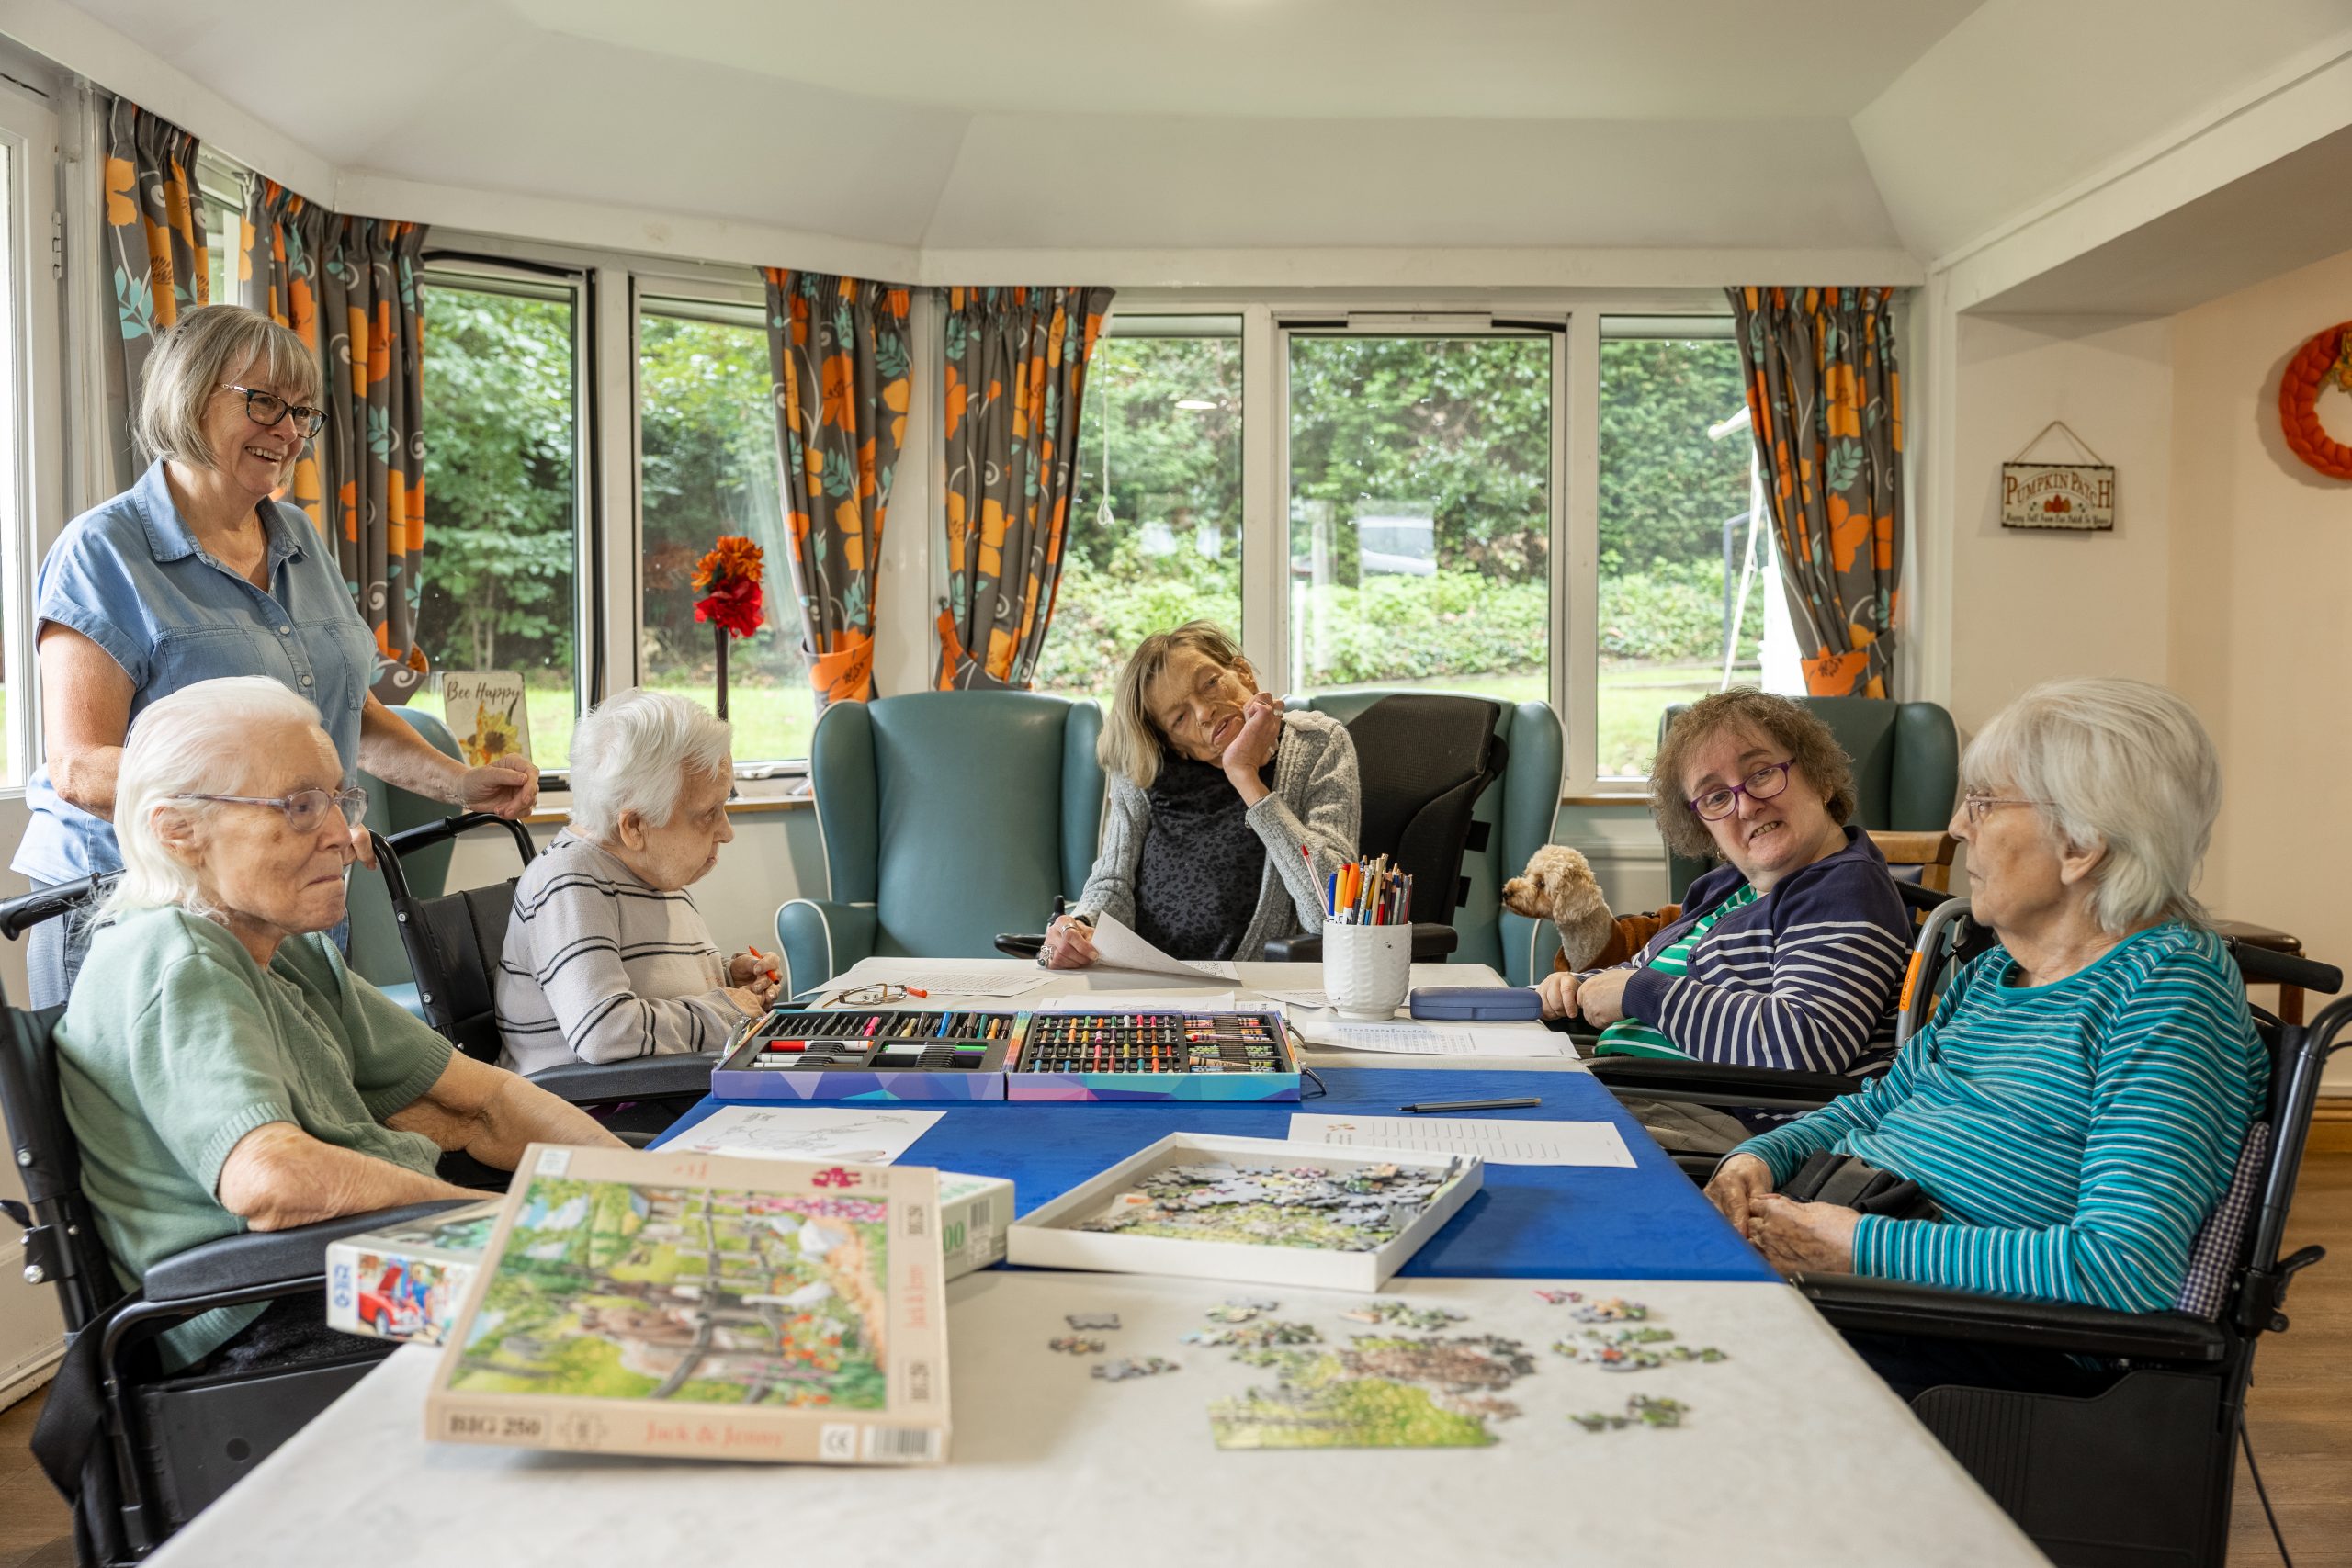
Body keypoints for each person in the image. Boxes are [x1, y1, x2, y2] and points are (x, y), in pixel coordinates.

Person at [1706, 679, 2266, 1394]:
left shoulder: (2165, 989)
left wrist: (1856, 1245)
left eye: (1983, 801)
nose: (1957, 825)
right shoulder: (1996, 970)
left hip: (1984, 1344)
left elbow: (2124, 1267)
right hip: (1862, 1279)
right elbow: (1878, 1103)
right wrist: (1756, 1157)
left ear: (2082, 842)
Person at [53, 679, 617, 1374]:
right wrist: (504, 1228)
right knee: (620, 1314)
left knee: (642, 1271)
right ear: (178, 831)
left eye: (336, 800)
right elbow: (272, 1182)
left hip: (354, 1260)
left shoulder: (283, 949)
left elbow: (483, 1102)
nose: (345, 837)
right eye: (298, 807)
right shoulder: (175, 957)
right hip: (269, 1310)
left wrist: (648, 1189)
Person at [14, 304, 539, 1007]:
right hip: (138, 910)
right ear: (189, 396)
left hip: (283, 904)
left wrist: (462, 783)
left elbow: (347, 709)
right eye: (263, 402)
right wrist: (274, 808)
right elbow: (80, 768)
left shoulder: (297, 536)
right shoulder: (103, 550)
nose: (288, 432)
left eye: (301, 413)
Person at [1538, 689, 1912, 1075]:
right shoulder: (1724, 890)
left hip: (1701, 1105)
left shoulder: (1844, 888)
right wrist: (1576, 987)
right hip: (1621, 1082)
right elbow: (1637, 979)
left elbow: (1805, 1045)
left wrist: (1641, 994)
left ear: (1821, 779)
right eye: (1716, 797)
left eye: (1762, 773)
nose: (1746, 806)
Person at [1041, 622, 1358, 968]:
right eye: (1180, 718)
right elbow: (1113, 881)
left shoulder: (1317, 743)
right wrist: (1081, 927)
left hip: (1252, 985)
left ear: (1243, 674)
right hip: (1147, 981)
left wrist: (1245, 776)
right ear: (1174, 744)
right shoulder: (1143, 770)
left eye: (1210, 683)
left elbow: (1333, 912)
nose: (1205, 712)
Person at [495, 689, 777, 1073]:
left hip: (662, 1086)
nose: (726, 832)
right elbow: (606, 1031)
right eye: (709, 813)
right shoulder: (570, 880)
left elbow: (656, 987)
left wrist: (730, 980)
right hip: (599, 1102)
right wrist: (726, 1011)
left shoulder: (651, 873)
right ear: (635, 826)